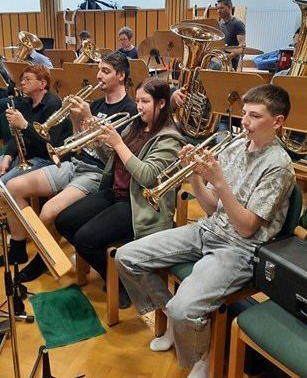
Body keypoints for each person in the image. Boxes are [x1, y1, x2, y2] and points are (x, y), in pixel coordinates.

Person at [115, 84, 296, 378]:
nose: (244, 122)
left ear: (277, 122)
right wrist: (196, 177)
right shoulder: (237, 145)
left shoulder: (279, 166)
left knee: (185, 309)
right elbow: (212, 208)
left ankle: (202, 354)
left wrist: (220, 182)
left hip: (239, 249)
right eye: (243, 114)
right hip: (208, 229)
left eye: (254, 116)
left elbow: (248, 228)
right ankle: (175, 323)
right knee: (126, 257)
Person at [0, 51, 138, 281]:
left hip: (97, 173)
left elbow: (111, 156)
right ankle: (19, 248)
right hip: (74, 162)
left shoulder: (130, 110)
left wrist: (89, 119)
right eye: (99, 69)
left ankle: (44, 259)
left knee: (48, 212)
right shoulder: (98, 102)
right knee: (13, 187)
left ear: (121, 76)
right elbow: (79, 142)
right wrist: (74, 119)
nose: (99, 75)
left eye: (106, 71)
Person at [55, 78, 183, 308]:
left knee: (85, 239)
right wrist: (99, 143)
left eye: (145, 101)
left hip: (140, 205)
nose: (139, 106)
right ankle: (110, 269)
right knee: (64, 221)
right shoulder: (135, 125)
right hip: (116, 192)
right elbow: (114, 162)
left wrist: (118, 144)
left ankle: (119, 282)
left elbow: (146, 176)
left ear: (162, 103)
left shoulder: (170, 138)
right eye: (138, 101)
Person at [0, 64, 69, 193]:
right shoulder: (26, 103)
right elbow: (17, 136)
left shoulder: (54, 105)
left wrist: (24, 125)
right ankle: (6, 203)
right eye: (22, 79)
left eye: (27, 79)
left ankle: (13, 207)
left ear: (42, 83)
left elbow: (49, 145)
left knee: (1, 187)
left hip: (44, 159)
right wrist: (7, 157)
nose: (22, 83)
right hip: (23, 154)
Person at [216, 0, 246, 70]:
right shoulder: (219, 24)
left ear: (230, 8)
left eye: (222, 8)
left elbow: (242, 45)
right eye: (218, 8)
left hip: (230, 61)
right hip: (220, 59)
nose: (219, 11)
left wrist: (228, 57)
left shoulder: (237, 24)